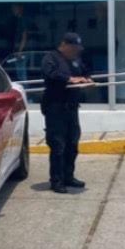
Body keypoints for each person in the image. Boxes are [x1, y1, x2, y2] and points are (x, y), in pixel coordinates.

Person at [41, 32, 93, 194]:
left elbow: (84, 72)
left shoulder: (75, 60)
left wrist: (87, 79)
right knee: (58, 145)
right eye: (74, 48)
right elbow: (50, 74)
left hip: (71, 107)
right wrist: (70, 79)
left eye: (78, 49)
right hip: (55, 108)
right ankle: (56, 180)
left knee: (72, 144)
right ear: (64, 45)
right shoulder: (51, 58)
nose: (76, 51)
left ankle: (68, 176)